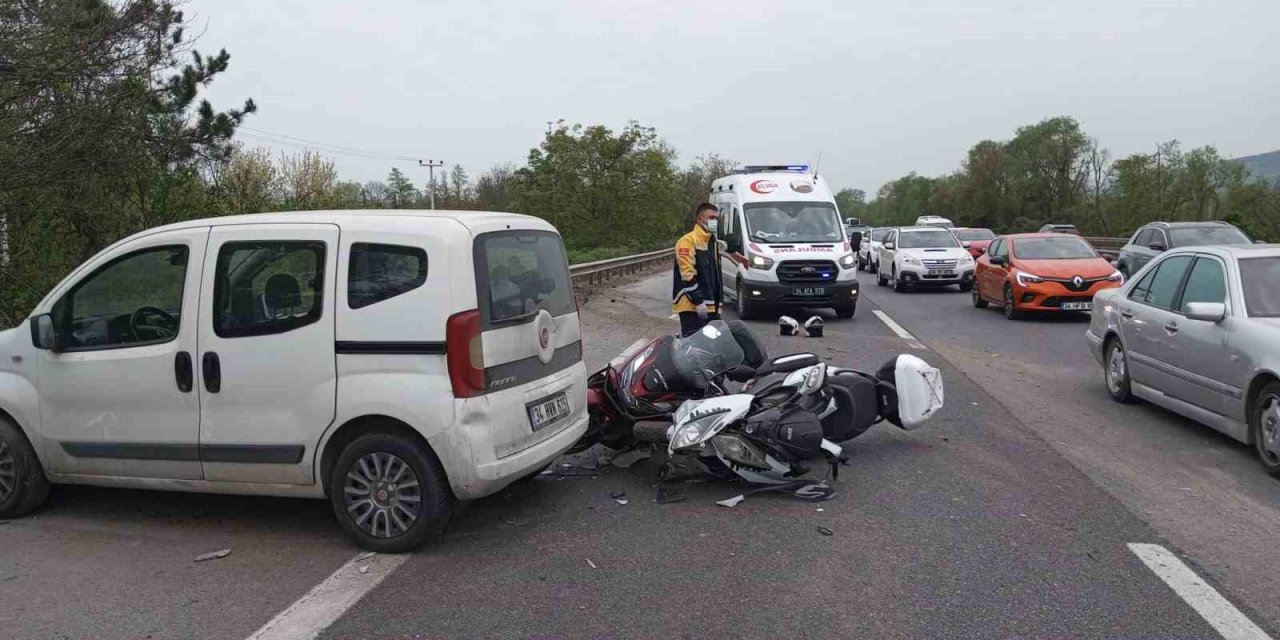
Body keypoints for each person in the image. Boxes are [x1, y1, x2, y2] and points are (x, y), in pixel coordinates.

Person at [672, 202, 723, 337]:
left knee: (713, 348)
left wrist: (719, 303)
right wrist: (698, 301)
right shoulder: (688, 241)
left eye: (717, 219)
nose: (715, 222)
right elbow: (687, 275)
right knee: (694, 348)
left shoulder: (713, 242)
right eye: (711, 218)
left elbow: (716, 277)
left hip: (711, 306)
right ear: (700, 219)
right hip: (692, 307)